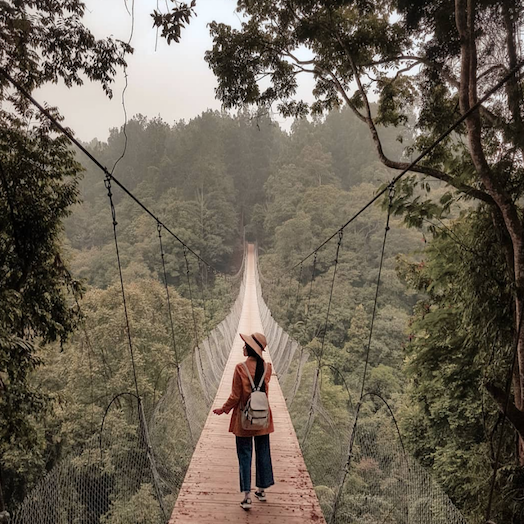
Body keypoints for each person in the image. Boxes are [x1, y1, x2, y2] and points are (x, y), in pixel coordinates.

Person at [213, 332, 275, 510]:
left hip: (244, 418)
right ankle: (261, 490)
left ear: (250, 348)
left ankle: (247, 497)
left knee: (245, 454)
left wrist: (223, 409)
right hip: (263, 418)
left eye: (245, 344)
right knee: (263, 452)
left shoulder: (240, 368)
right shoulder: (267, 367)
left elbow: (235, 396)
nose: (243, 346)